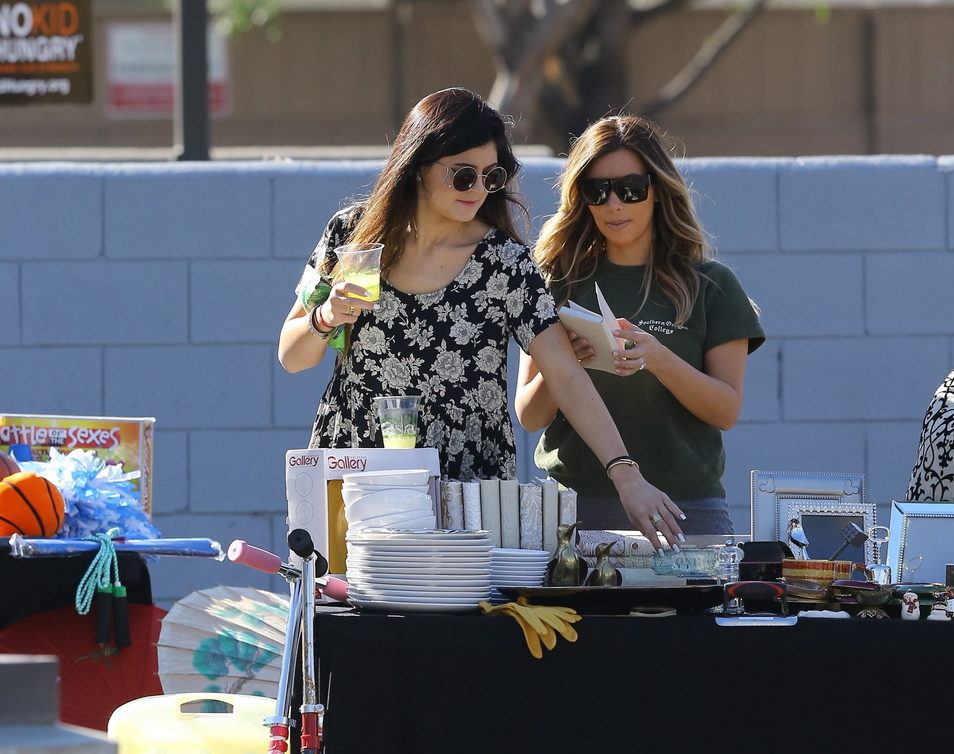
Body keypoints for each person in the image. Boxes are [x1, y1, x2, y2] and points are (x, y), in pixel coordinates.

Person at [278, 87, 680, 548]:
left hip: (464, 488)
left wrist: (625, 474)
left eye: (492, 176)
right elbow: (291, 355)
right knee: (350, 613)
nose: (479, 190)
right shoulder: (350, 234)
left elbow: (565, 373)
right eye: (463, 175)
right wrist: (325, 317)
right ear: (417, 165)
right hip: (356, 476)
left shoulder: (504, 262)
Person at [515, 114, 766, 538]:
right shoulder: (555, 283)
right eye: (598, 191)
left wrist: (658, 358)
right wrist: (567, 362)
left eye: (631, 189)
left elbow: (725, 410)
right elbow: (530, 415)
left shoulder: (710, 285)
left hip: (684, 509)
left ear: (657, 191)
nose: (614, 204)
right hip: (572, 510)